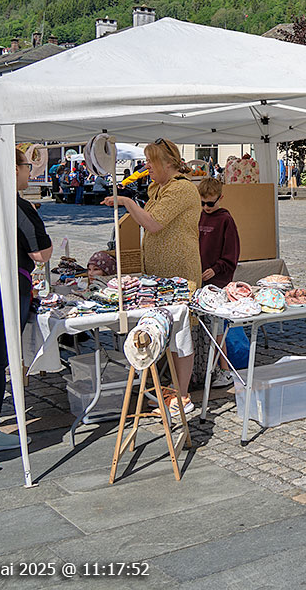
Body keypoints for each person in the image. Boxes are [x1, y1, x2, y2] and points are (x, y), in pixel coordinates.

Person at [105, 138, 202, 413]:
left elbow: (153, 223)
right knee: (167, 331)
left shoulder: (181, 189)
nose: (146, 166)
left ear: (168, 163)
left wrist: (126, 201)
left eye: (151, 161)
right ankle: (172, 389)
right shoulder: (160, 188)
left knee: (180, 334)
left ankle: (183, 396)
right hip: (161, 273)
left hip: (179, 272)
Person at [0, 148, 52, 455]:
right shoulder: (15, 204)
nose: (30, 172)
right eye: (27, 166)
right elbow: (40, 254)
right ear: (15, 168)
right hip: (5, 288)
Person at [197, 177, 240, 389]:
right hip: (200, 278)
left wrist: (216, 269)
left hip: (218, 281)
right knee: (206, 327)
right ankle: (210, 367)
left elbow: (232, 255)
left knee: (217, 327)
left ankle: (225, 370)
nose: (206, 207)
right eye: (202, 203)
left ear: (220, 198)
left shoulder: (225, 220)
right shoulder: (199, 216)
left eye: (210, 203)